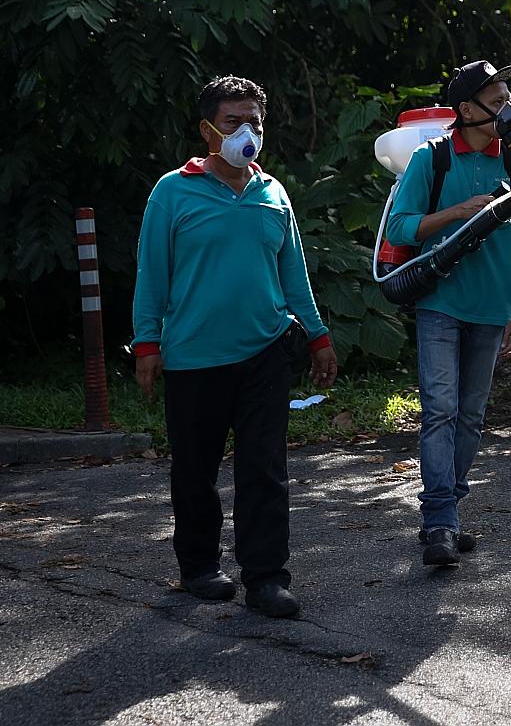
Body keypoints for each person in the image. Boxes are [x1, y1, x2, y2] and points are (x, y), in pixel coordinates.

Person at [132, 75, 337, 617]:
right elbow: (151, 274)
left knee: (264, 469)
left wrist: (318, 337)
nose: (246, 132)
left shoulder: (273, 192)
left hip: (265, 351)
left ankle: (266, 578)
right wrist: (146, 344)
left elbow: (293, 274)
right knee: (194, 470)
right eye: (233, 123)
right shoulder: (172, 190)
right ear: (207, 130)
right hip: (194, 356)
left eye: (255, 123)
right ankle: (199, 567)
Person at [386, 59, 511, 567]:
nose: (507, 111)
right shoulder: (432, 160)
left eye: (506, 101)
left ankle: (447, 513)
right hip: (440, 304)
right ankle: (440, 523)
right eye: (496, 103)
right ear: (466, 110)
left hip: (492, 310)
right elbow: (401, 228)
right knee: (440, 410)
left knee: (470, 416)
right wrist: (458, 212)